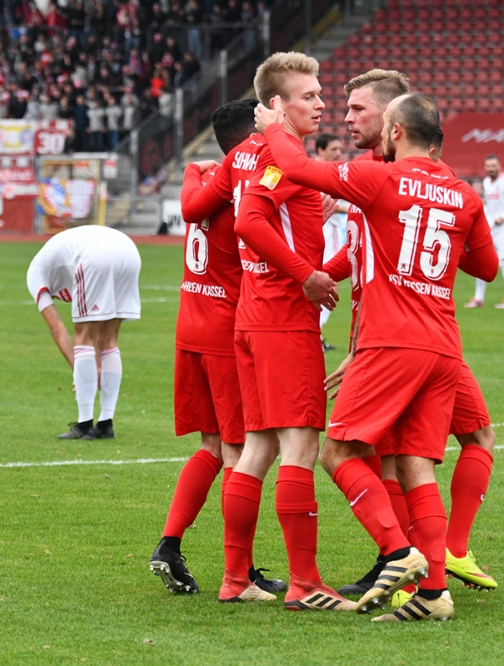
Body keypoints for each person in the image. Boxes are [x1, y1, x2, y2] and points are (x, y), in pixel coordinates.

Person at [257, 91, 497, 622]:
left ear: (395, 132)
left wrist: (274, 124)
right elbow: (486, 268)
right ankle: (434, 595)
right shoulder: (464, 193)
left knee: (337, 453)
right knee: (417, 467)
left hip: (392, 342)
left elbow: (295, 165)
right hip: (443, 347)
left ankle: (397, 551)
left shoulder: (380, 179)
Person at [321, 70, 500, 596]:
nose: (347, 119)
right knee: (407, 457)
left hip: (400, 340)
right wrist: (316, 279)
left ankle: (416, 557)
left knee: (414, 450)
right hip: (415, 338)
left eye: (357, 109)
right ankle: (417, 568)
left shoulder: (377, 176)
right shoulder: (433, 180)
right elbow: (358, 256)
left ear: (391, 120)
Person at [182, 52, 349, 611]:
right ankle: (305, 583)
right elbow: (252, 221)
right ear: (275, 105)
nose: (321, 104)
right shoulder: (284, 154)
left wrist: (310, 219)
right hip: (281, 319)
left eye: (321, 94)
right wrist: (306, 275)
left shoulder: (243, 155)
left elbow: (208, 207)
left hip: (248, 318)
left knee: (255, 449)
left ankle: (235, 578)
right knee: (301, 445)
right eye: (308, 96)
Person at [149, 98, 285, 600]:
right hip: (228, 334)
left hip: (190, 327)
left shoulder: (200, 177)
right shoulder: (241, 189)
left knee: (212, 446)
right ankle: (240, 572)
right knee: (240, 453)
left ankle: (169, 544)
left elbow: (189, 205)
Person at [26, 225, 141, 441]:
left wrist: (78, 372)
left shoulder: (35, 273)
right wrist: (90, 368)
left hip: (97, 255)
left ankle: (84, 425)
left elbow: (57, 329)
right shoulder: (57, 257)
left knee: (83, 340)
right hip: (129, 251)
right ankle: (106, 424)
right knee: (109, 340)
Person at [466, 155, 504, 309]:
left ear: (499, 166)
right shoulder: (486, 182)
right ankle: (478, 298)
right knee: (481, 259)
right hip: (490, 226)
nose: (491, 169)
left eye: (493, 166)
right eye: (488, 166)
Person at [315, 132, 344, 351]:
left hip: (330, 229)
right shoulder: (317, 172)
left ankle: (317, 335)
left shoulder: (330, 172)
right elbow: (324, 202)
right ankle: (315, 335)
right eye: (333, 149)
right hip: (325, 231)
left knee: (326, 284)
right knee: (326, 283)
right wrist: (357, 207)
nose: (338, 154)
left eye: (340, 149)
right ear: (320, 151)